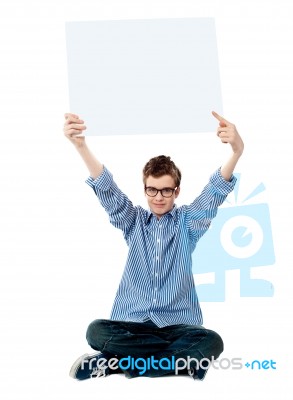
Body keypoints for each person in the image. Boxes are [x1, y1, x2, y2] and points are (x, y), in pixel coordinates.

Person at [63, 111, 244, 380]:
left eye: (166, 190)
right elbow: (108, 190)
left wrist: (236, 152)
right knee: (96, 331)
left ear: (176, 191)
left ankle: (118, 362)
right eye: (152, 190)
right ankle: (176, 362)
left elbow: (213, 193)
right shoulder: (133, 221)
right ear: (145, 189)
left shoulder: (188, 223)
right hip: (132, 325)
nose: (159, 197)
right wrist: (80, 145)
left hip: (178, 327)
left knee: (211, 341)